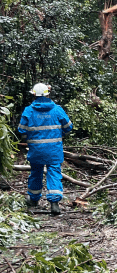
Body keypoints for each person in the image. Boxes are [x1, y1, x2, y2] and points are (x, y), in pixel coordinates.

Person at [18, 83, 73, 215]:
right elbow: (68, 127)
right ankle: (54, 204)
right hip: (54, 150)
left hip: (36, 150)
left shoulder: (29, 111)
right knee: (54, 173)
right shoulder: (57, 109)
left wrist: (30, 138)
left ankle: (33, 200)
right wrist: (60, 134)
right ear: (48, 93)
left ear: (34, 95)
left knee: (36, 173)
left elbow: (21, 130)